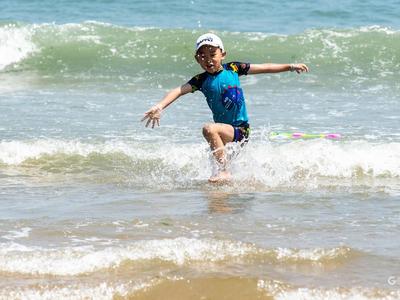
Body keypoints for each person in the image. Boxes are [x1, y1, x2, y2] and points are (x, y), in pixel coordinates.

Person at [142, 33, 309, 183]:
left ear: (223, 54)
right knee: (220, 180)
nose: (208, 60)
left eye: (212, 55)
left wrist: (290, 66)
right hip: (225, 135)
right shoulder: (200, 80)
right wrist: (160, 106)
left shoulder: (234, 69)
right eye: (202, 56)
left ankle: (224, 171)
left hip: (241, 130)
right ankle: (229, 177)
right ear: (197, 59)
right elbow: (178, 90)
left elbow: (265, 67)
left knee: (209, 129)